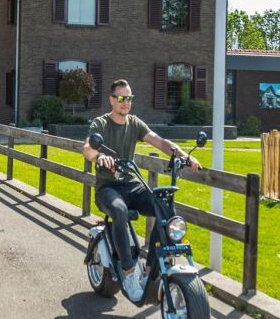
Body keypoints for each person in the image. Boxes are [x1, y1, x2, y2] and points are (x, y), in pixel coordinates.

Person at [83, 79, 201, 302]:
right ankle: (128, 273)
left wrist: (184, 156)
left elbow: (159, 141)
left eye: (129, 98)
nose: (126, 103)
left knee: (163, 207)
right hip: (107, 187)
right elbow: (88, 147)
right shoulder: (101, 124)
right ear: (111, 99)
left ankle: (150, 270)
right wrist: (100, 157)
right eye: (121, 98)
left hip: (130, 184)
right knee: (118, 210)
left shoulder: (135, 123)